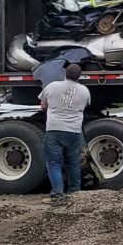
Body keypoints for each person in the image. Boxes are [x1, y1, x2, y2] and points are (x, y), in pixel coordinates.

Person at [39, 63, 91, 204]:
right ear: (79, 76)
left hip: (54, 129)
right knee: (73, 163)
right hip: (73, 131)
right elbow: (85, 106)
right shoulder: (85, 91)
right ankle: (75, 194)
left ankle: (57, 195)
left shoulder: (52, 86)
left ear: (64, 73)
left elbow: (43, 106)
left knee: (54, 163)